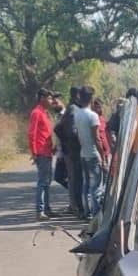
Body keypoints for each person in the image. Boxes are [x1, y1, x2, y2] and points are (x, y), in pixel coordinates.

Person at [72, 87, 107, 216]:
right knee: (96, 188)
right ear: (91, 99)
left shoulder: (77, 114)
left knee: (86, 185)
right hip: (93, 154)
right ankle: (96, 214)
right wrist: (102, 158)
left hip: (83, 154)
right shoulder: (93, 116)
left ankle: (86, 212)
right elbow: (97, 139)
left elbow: (79, 135)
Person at [55, 86, 85, 217]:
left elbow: (58, 129)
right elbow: (70, 131)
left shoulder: (71, 108)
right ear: (77, 95)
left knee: (74, 179)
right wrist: (72, 143)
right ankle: (77, 208)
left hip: (70, 151)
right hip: (74, 152)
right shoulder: (73, 109)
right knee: (76, 180)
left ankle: (75, 206)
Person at [28, 89, 57, 220]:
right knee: (42, 182)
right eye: (49, 98)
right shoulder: (36, 113)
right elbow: (31, 134)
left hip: (48, 151)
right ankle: (39, 211)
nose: (51, 101)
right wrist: (34, 152)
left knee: (47, 182)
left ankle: (46, 208)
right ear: (42, 98)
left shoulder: (45, 113)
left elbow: (47, 132)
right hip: (41, 152)